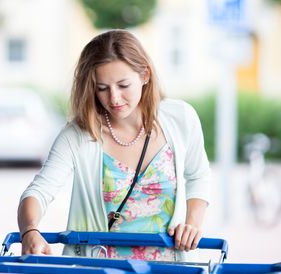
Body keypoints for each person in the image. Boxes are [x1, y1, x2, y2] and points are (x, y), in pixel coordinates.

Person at [18, 29, 210, 261]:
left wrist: (192, 224)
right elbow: (38, 191)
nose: (114, 98)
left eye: (123, 85)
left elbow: (199, 176)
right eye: (102, 88)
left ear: (145, 75)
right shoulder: (78, 135)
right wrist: (29, 230)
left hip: (171, 273)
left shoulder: (181, 117)